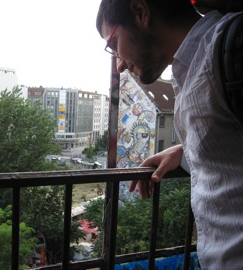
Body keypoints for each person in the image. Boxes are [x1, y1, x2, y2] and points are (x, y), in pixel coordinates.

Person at [96, 0, 243, 269]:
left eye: (114, 45)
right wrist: (185, 151)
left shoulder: (231, 51)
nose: (118, 65)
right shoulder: (190, 69)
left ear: (141, 12)